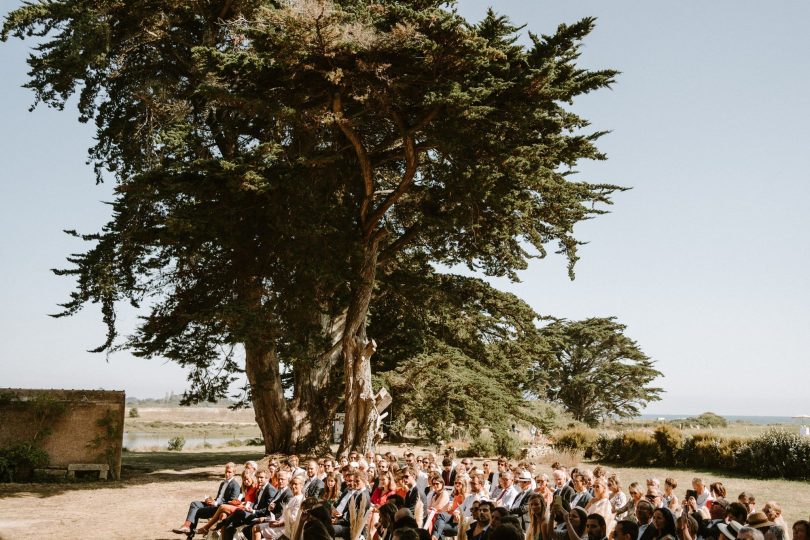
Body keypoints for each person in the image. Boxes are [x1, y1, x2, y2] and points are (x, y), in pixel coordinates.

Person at [172, 462, 241, 535]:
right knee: (194, 504)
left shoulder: (235, 486)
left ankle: (190, 535)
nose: (227, 474)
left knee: (196, 511)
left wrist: (216, 503)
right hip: (214, 505)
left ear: (234, 473)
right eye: (226, 472)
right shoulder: (223, 483)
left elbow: (231, 503)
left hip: (219, 509)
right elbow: (219, 498)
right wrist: (210, 500)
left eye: (229, 472)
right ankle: (186, 526)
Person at [197, 467, 260, 535]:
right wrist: (239, 502)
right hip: (242, 508)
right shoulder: (247, 488)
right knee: (223, 515)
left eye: (247, 479)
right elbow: (247, 501)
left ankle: (206, 527)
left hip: (247, 512)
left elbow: (254, 504)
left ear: (252, 478)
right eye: (244, 480)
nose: (246, 482)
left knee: (222, 507)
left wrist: (242, 504)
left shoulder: (255, 488)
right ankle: (217, 533)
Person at [252, 474, 305, 540]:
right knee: (256, 527)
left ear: (302, 485)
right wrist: (272, 521)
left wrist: (277, 524)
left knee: (256, 528)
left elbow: (293, 519)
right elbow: (283, 515)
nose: (293, 486)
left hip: (286, 529)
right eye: (292, 484)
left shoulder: (300, 499)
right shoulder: (294, 498)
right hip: (280, 523)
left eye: (296, 484)